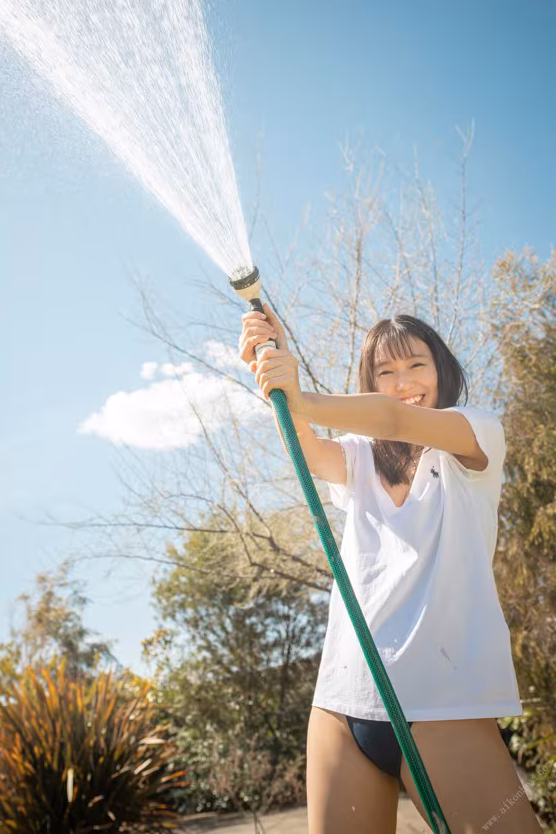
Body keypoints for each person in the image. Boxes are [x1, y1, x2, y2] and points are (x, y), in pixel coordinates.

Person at [238, 304, 541, 834]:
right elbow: (306, 446)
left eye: (416, 365)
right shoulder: (358, 457)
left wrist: (301, 393)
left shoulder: (475, 435)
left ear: (442, 371)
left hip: (440, 704)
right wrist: (275, 368)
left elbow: (396, 418)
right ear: (370, 382)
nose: (403, 382)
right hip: (343, 701)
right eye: (385, 372)